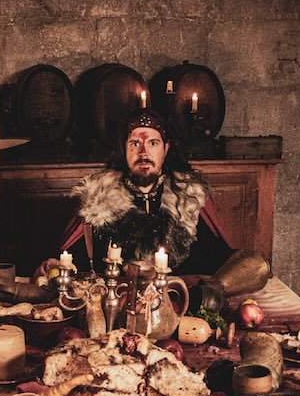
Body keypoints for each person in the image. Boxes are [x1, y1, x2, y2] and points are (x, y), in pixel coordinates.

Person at [56, 109, 234, 275]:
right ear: (124, 150)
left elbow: (220, 261)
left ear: (166, 149)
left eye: (153, 143)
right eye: (135, 143)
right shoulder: (98, 199)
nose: (143, 152)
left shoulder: (188, 198)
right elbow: (70, 263)